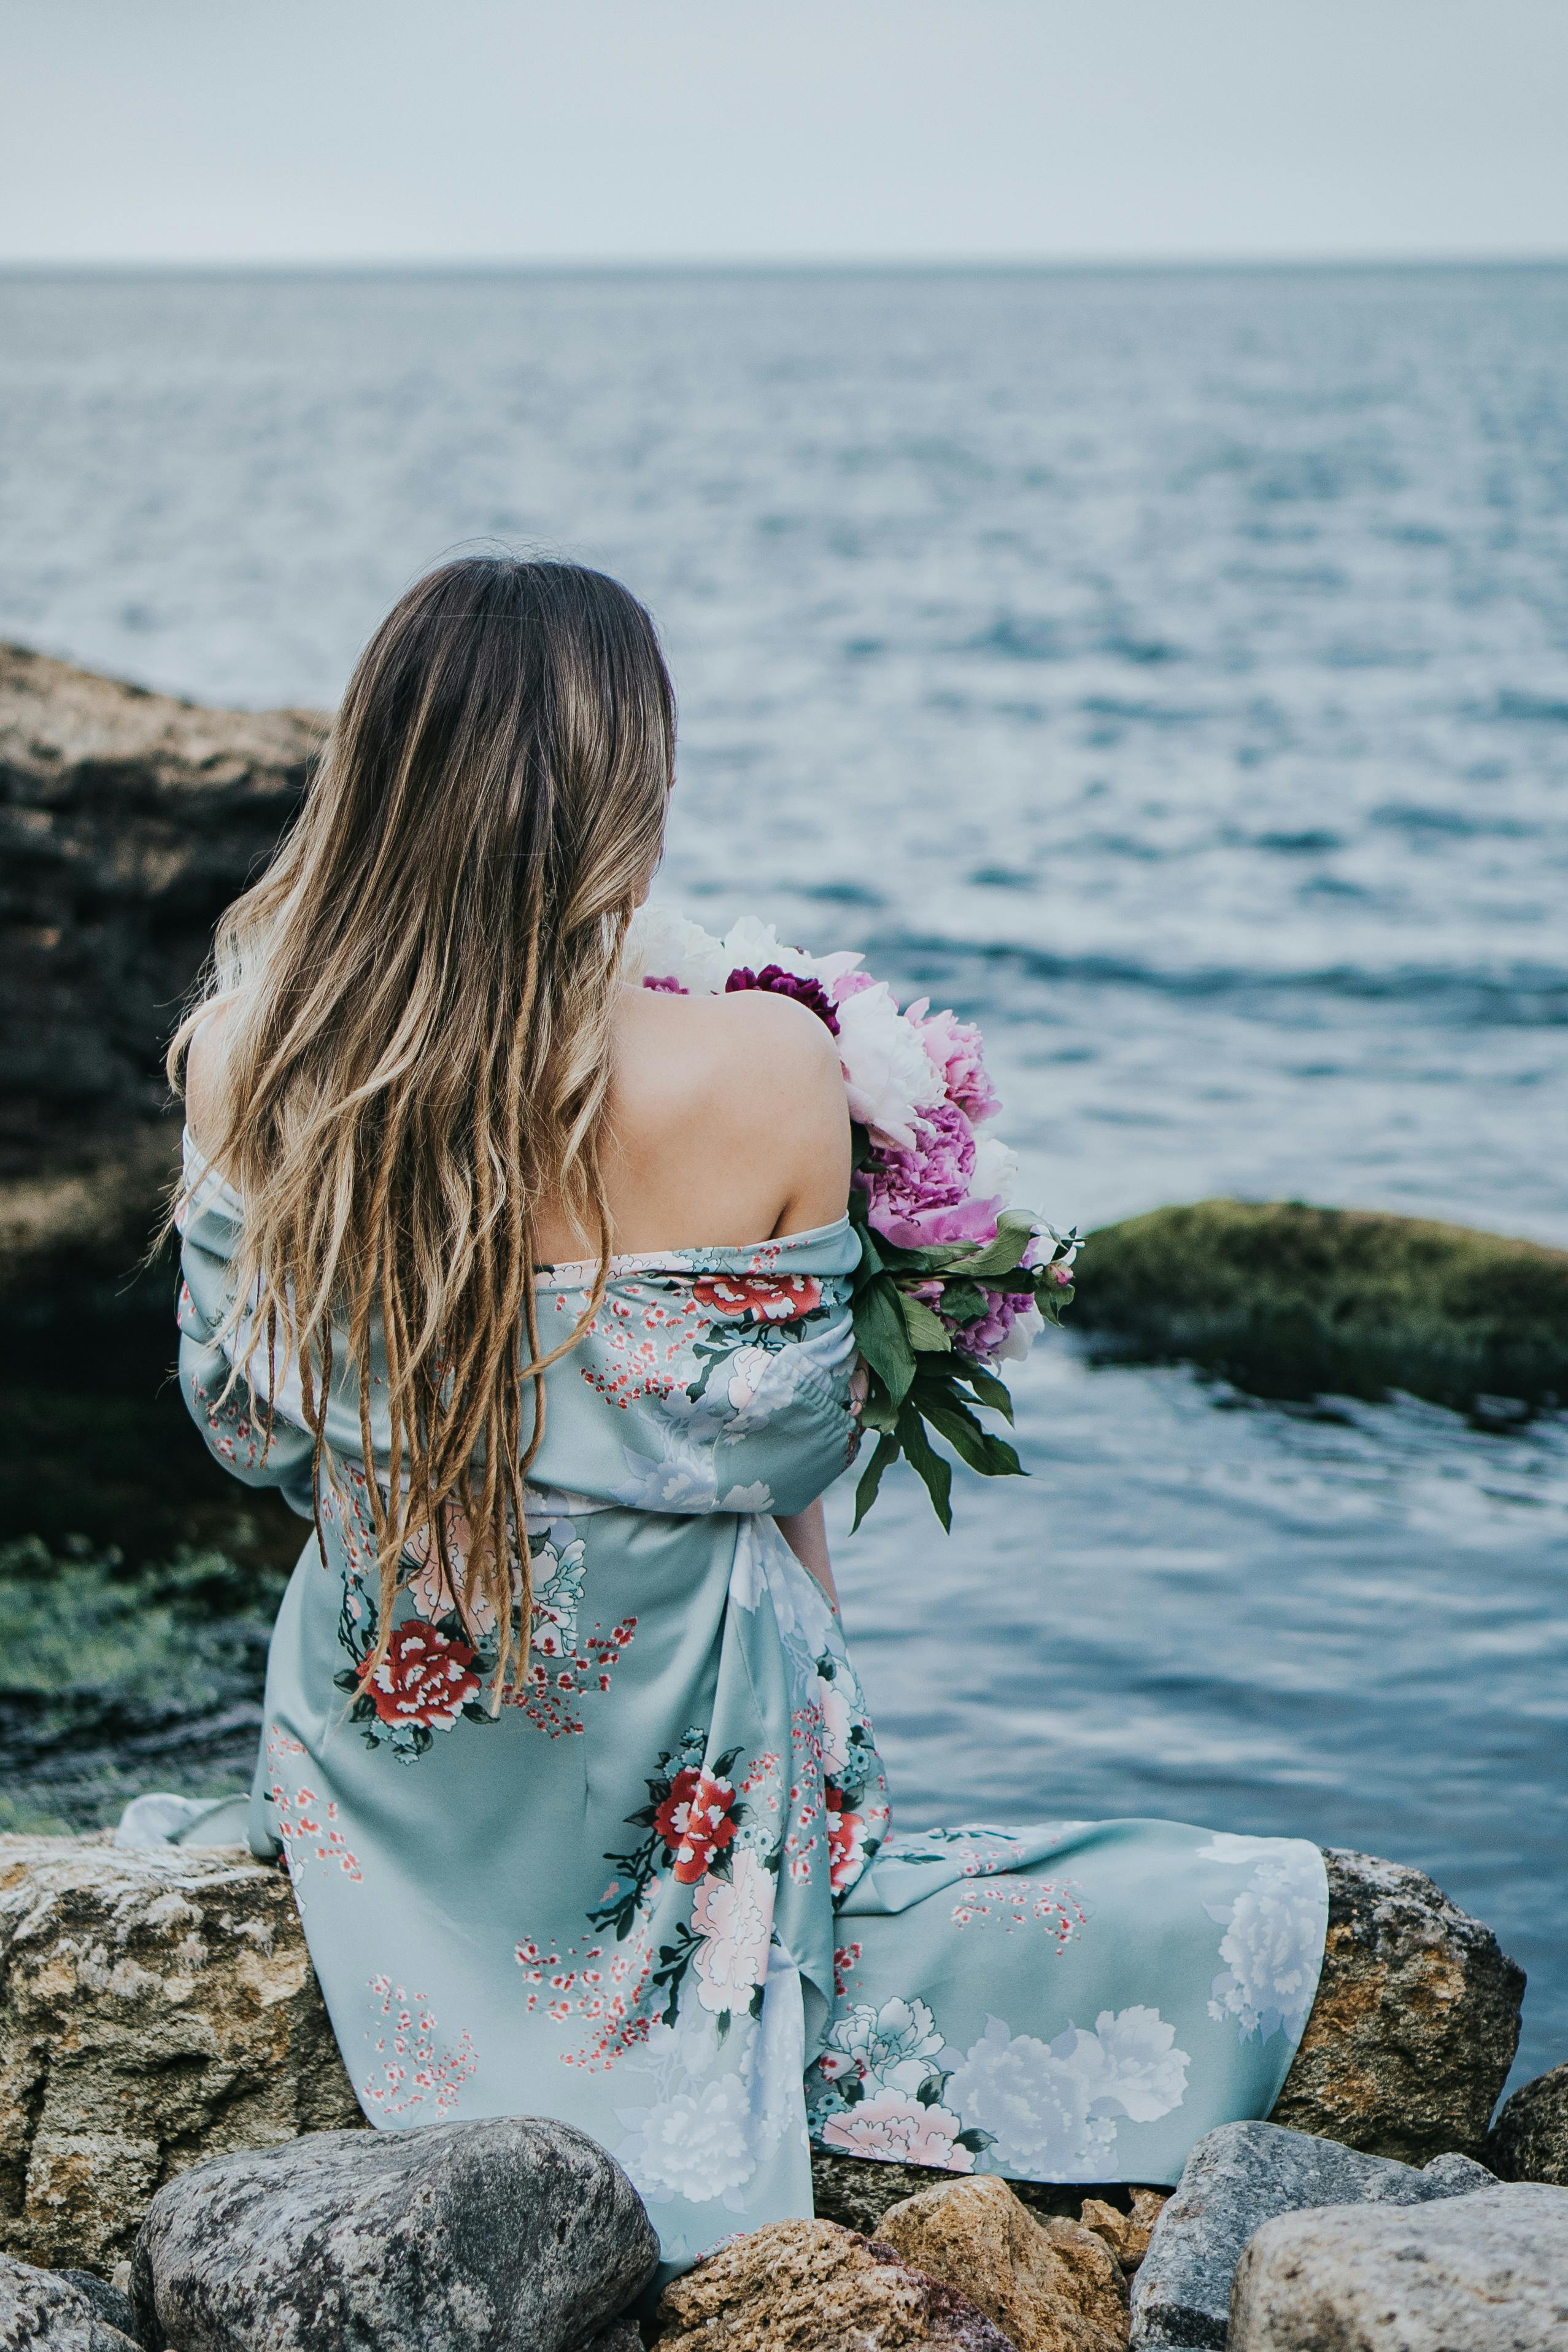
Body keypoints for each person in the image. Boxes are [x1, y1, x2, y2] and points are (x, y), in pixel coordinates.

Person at [163, 555, 1327, 2269]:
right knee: (1151, 1910)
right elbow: (783, 1456)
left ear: (377, 767)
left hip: (388, 1712)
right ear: (629, 780)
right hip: (681, 1716)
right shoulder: (765, 1067)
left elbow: (248, 1434)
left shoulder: (241, 1050)